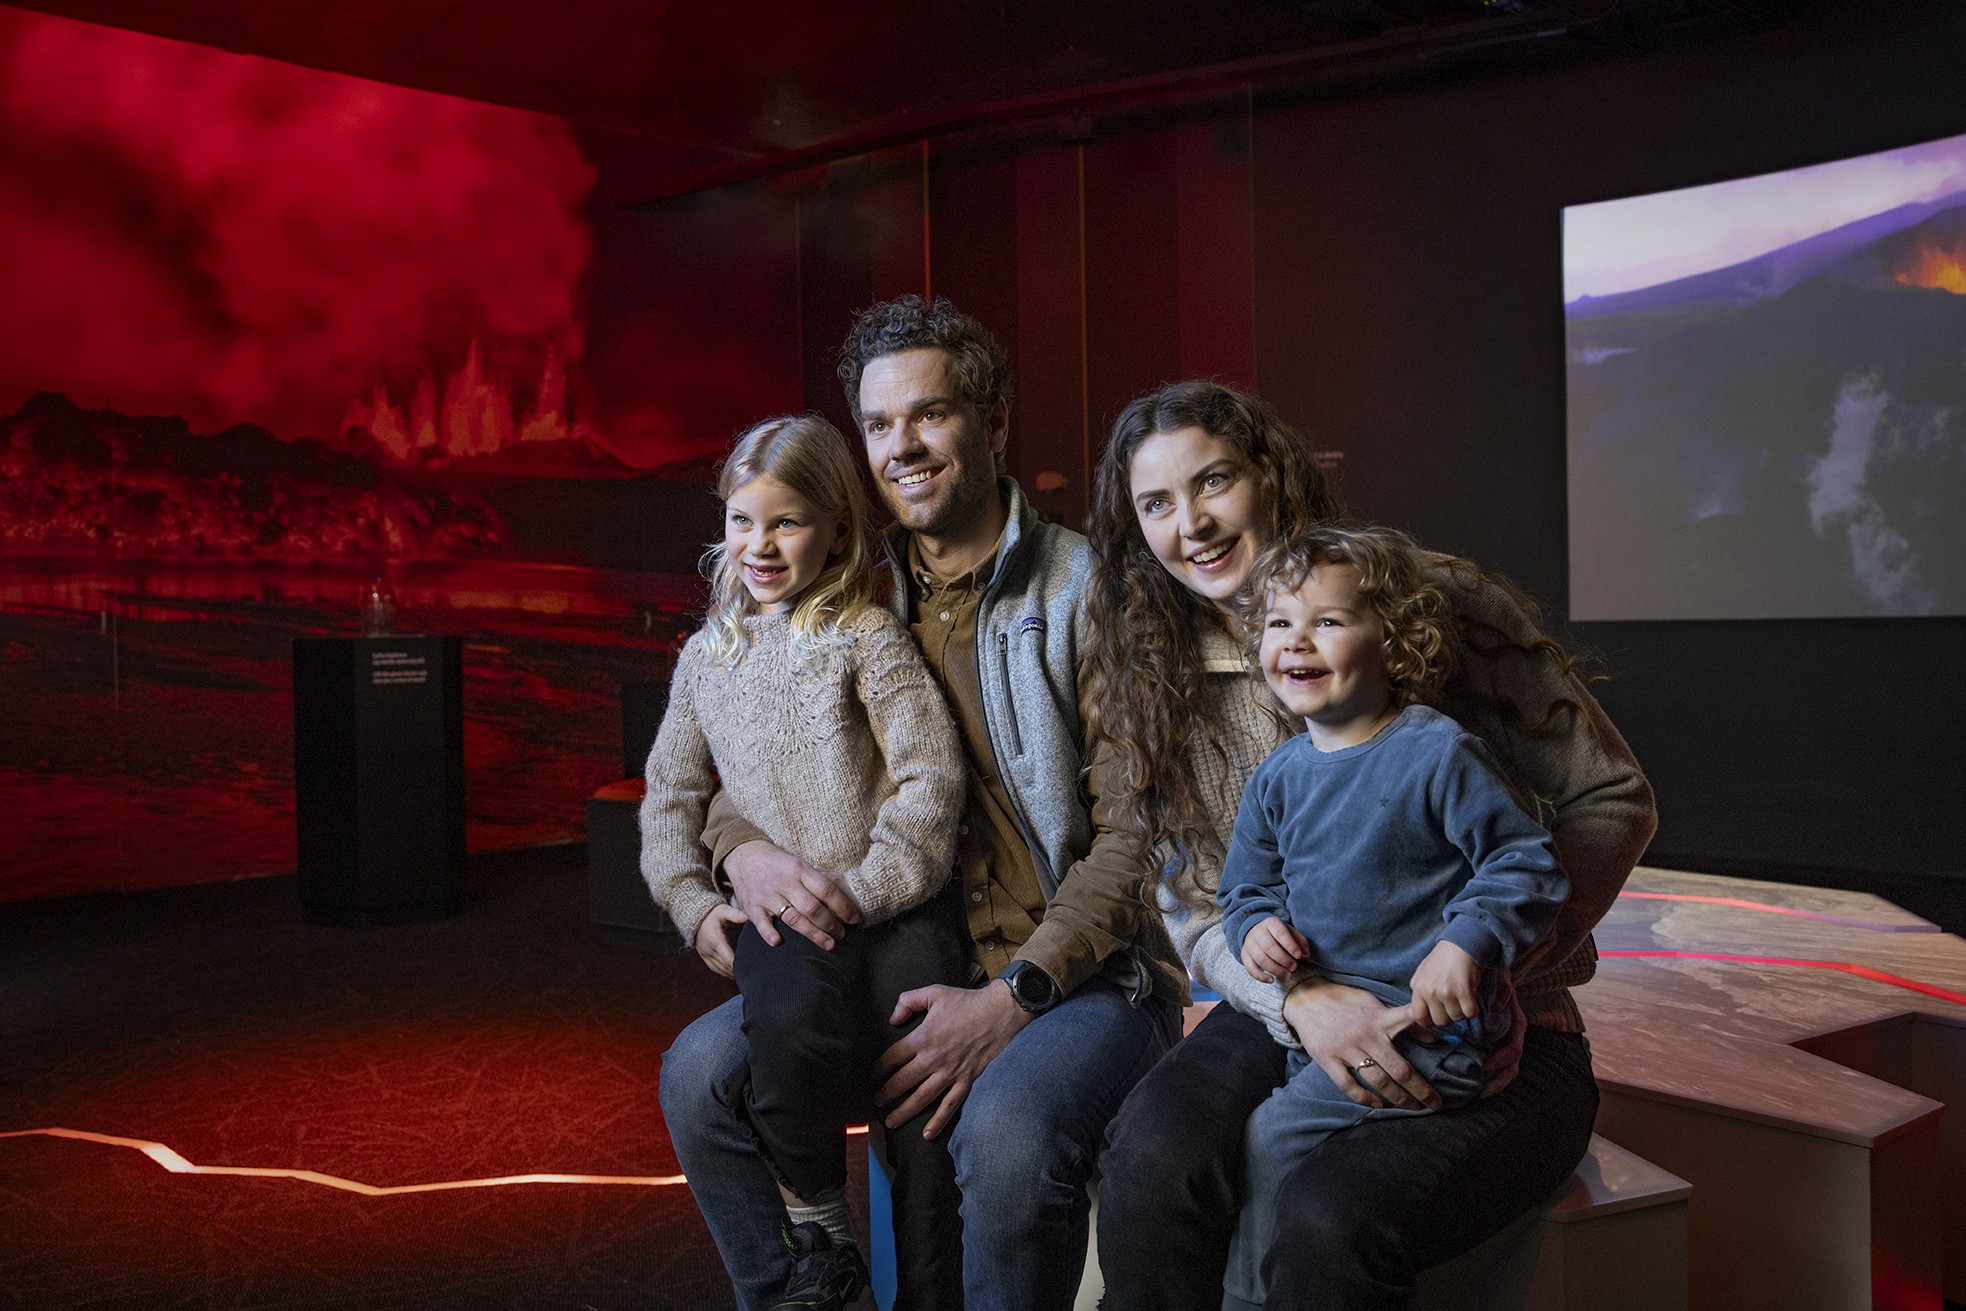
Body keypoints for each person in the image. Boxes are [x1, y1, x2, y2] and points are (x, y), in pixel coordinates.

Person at [656, 296, 1186, 1311]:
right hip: (886, 945)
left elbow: (1134, 837)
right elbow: (733, 759)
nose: (902, 446)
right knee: (697, 1077)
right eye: (880, 424)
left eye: (930, 415)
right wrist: (742, 856)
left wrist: (1007, 1000)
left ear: (992, 424)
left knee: (1005, 1133)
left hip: (1074, 976)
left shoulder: (1090, 591)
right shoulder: (841, 585)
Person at [1084, 380, 1657, 1311]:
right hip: (1295, 1005)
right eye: (1157, 503)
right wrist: (1300, 999)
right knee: (1150, 1162)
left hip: (1497, 1029)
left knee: (1330, 1220)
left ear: (1268, 472)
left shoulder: (1424, 599)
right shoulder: (1154, 667)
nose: (1191, 524)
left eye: (1214, 480)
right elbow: (1197, 907)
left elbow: (1611, 797)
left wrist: (1483, 966)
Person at [638, 413, 970, 1310]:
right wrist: (694, 904)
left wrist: (862, 892)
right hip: (786, 916)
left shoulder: (865, 635)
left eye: (785, 521)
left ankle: (933, 1293)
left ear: (834, 528)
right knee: (784, 1029)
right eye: (743, 520)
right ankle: (818, 1233)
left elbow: (930, 776)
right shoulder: (706, 657)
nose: (761, 543)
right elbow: (668, 797)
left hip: (891, 906)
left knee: (924, 1102)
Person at [1214, 525, 1569, 1309]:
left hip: (1426, 1033)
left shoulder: (1434, 752)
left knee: (1271, 1136)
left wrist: (1466, 943)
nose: (1296, 641)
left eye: (1328, 621)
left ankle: (1245, 1302)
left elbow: (1528, 863)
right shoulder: (1277, 777)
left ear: (1396, 641)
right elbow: (1242, 891)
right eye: (1279, 623)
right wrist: (1256, 930)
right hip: (1325, 1031)